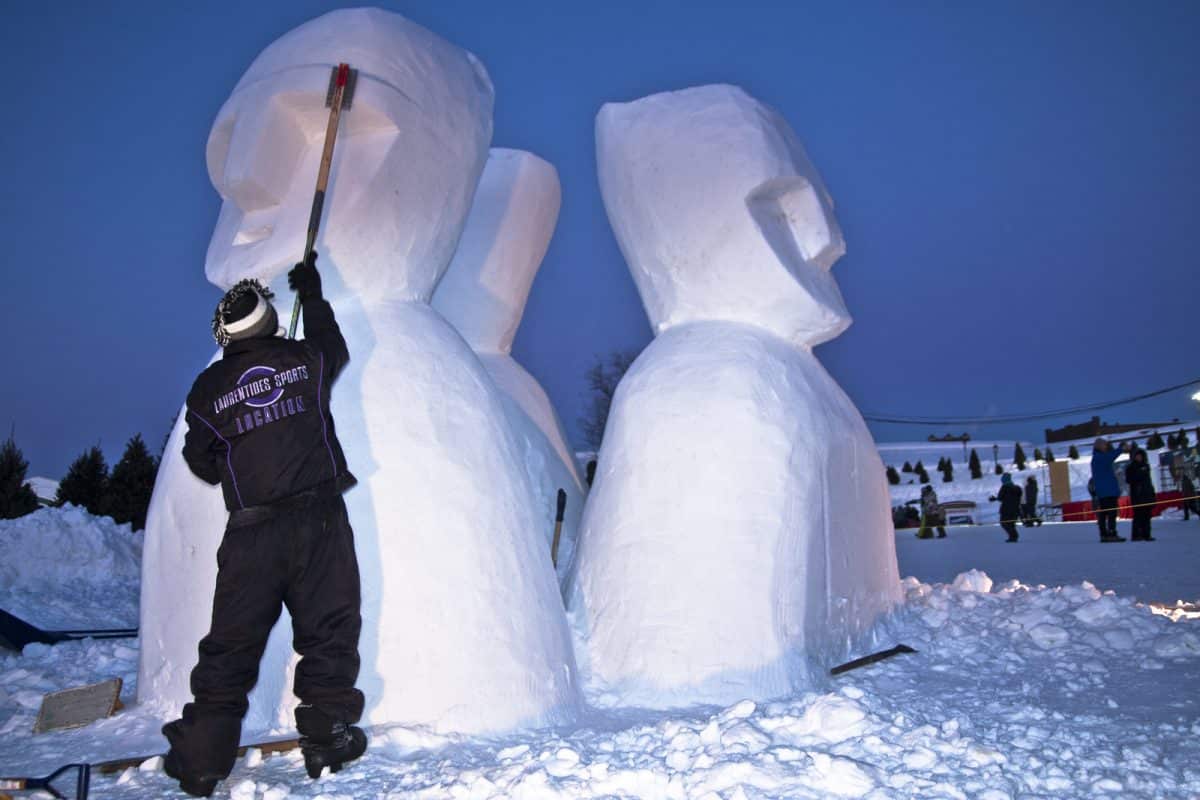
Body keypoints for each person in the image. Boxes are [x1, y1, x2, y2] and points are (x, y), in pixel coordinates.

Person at [162, 254, 366, 797]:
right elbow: (335, 348)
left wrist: (240, 460)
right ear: (270, 321)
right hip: (320, 518)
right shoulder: (304, 358)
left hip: (251, 534)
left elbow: (199, 458)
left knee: (231, 646)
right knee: (329, 629)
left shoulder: (207, 389)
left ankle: (203, 759)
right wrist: (316, 295)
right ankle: (327, 733)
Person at [1090, 438, 1128, 542]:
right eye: (1104, 445)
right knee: (1111, 513)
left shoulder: (1097, 457)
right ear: (1099, 446)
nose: (1106, 447)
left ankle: (1104, 534)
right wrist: (1121, 449)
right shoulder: (1100, 457)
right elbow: (1110, 456)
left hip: (1104, 491)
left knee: (1104, 514)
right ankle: (1111, 533)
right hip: (1107, 491)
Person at [1125, 448, 1157, 541]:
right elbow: (1129, 480)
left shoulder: (1146, 466)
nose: (1139, 457)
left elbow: (1149, 482)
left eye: (1140, 456)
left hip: (1147, 494)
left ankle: (1146, 534)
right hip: (1137, 495)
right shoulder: (1131, 467)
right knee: (1138, 515)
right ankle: (1136, 535)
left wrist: (1152, 494)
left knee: (1147, 515)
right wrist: (1140, 472)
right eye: (1137, 456)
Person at [990, 473, 1023, 542]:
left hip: (1006, 509)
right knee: (1011, 523)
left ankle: (1013, 536)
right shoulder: (1016, 488)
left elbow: (1000, 498)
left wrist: (994, 498)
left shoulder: (1004, 487)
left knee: (1004, 523)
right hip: (1016, 509)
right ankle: (1013, 537)